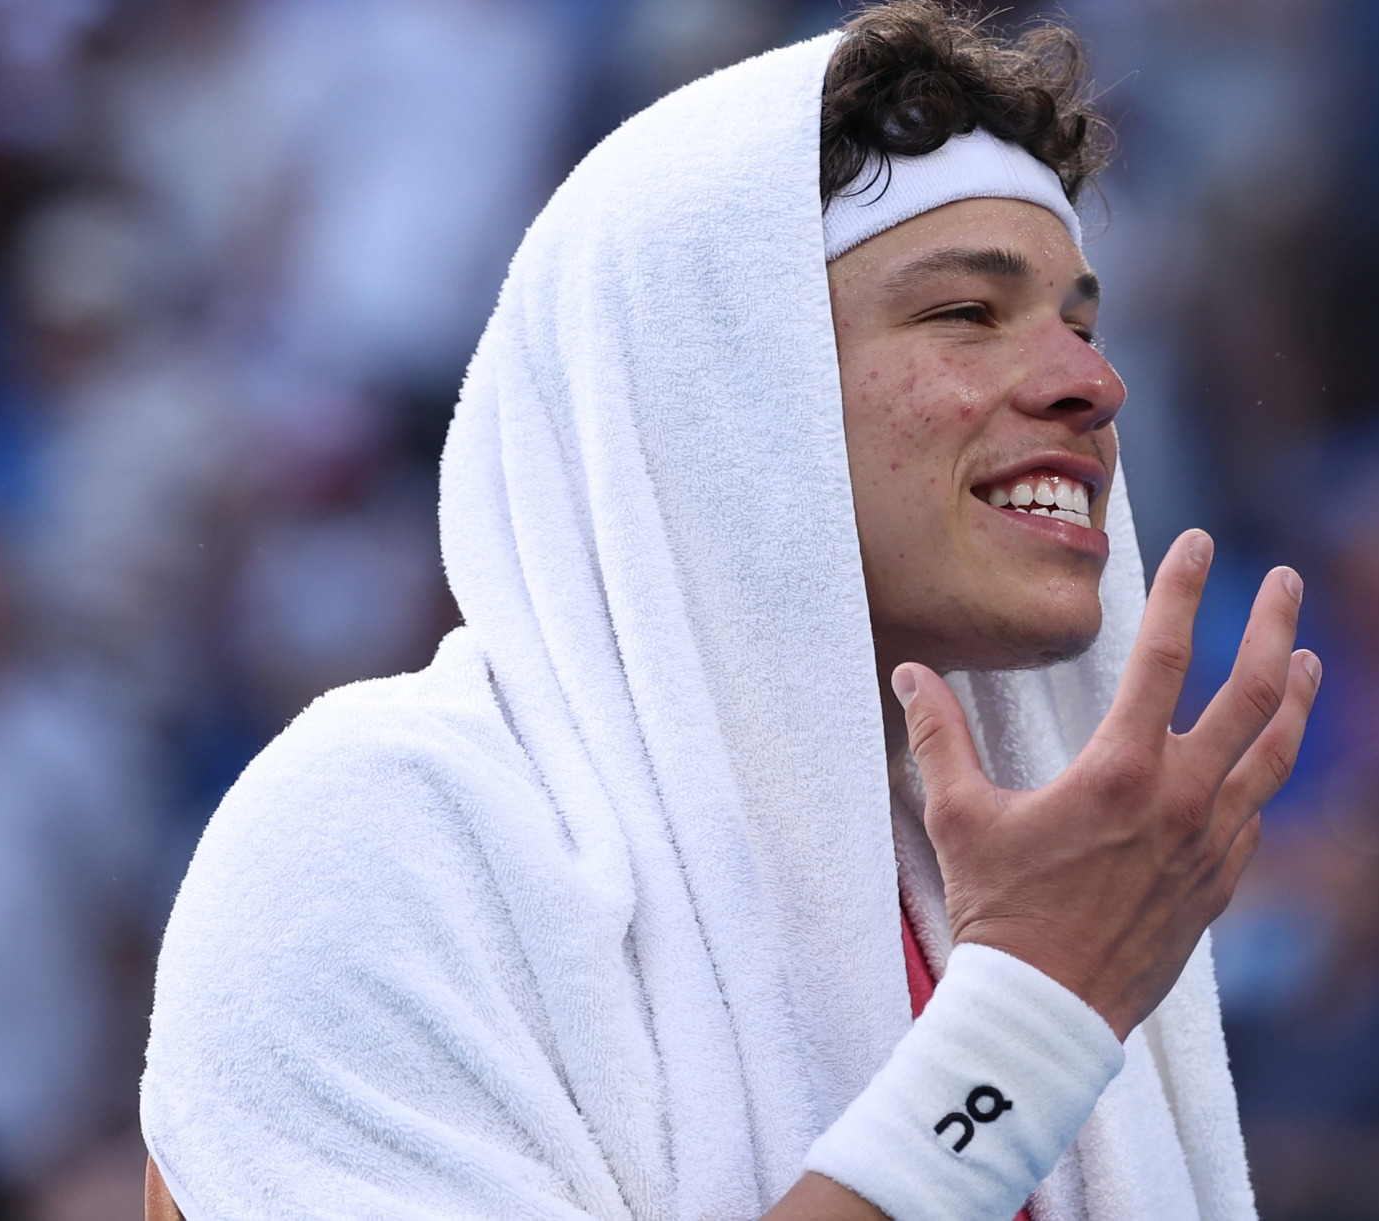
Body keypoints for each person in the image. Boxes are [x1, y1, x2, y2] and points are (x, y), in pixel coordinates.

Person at [139, 5, 1319, 1220]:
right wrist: (1033, 1018)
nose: (1095, 381)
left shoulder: (1018, 880)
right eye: (966, 313)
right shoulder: (384, 832)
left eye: (1080, 321)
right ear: (720, 388)